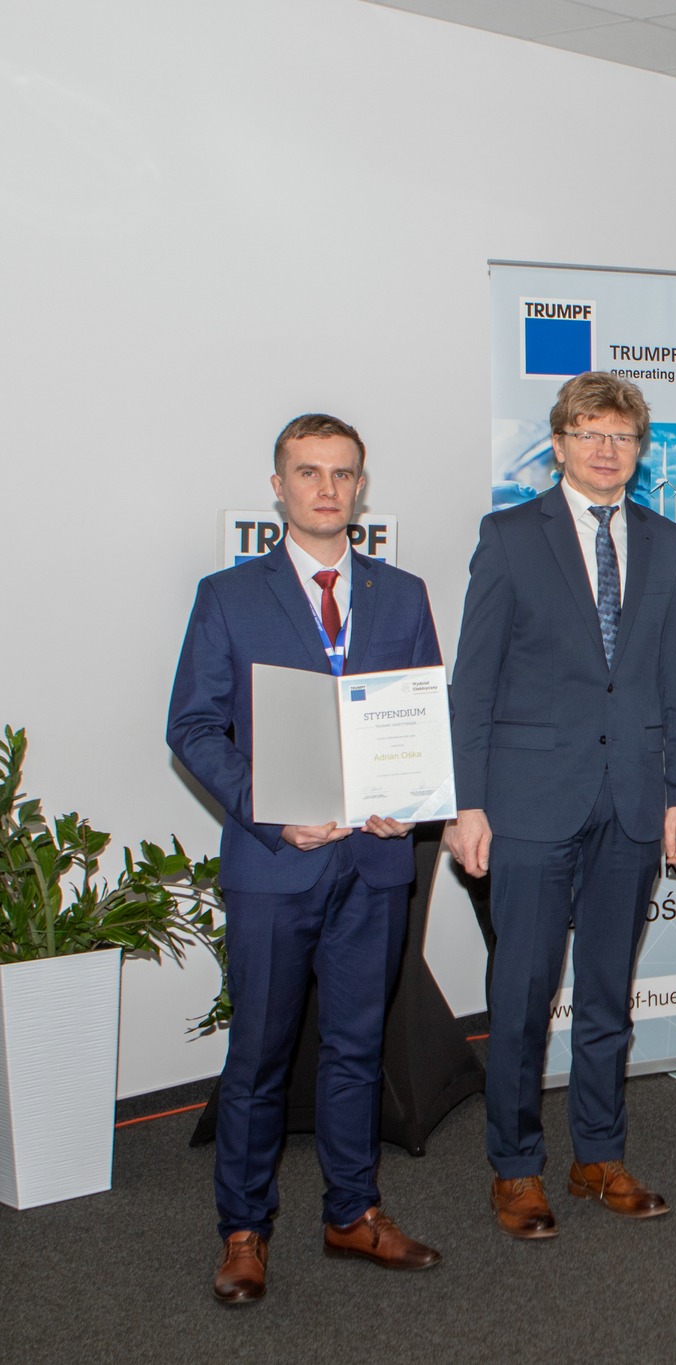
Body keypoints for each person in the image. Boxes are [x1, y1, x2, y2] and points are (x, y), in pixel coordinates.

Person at [168, 413, 445, 1305]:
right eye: (309, 471)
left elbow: (423, 717)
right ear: (278, 486)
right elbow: (193, 727)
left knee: (358, 1049)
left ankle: (352, 1211)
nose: (327, 488)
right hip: (274, 866)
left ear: (361, 487)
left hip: (373, 863)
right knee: (259, 1056)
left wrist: (411, 799)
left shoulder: (403, 594)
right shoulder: (228, 596)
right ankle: (244, 1230)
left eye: (342, 473)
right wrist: (272, 811)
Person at [447, 372, 676, 1240]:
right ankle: (516, 1166)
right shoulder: (509, 536)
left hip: (632, 799)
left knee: (606, 994)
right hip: (526, 803)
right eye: (589, 433)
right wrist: (467, 804)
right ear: (558, 444)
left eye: (621, 435)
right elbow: (473, 683)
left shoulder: (665, 541)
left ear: (640, 449)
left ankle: (599, 1153)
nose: (606, 449)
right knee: (521, 996)